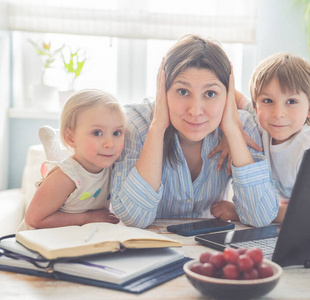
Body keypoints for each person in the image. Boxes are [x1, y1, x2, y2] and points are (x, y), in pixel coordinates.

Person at [110, 35, 278, 228]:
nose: (196, 111)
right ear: (163, 90)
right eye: (183, 92)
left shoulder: (242, 126)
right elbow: (133, 218)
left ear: (228, 95)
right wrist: (157, 128)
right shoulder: (137, 124)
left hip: (207, 252)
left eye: (210, 94)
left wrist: (232, 131)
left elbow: (261, 217)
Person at [210, 52, 310, 223]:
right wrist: (233, 131)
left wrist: (239, 213)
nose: (278, 113)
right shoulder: (260, 119)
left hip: (309, 223)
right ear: (256, 106)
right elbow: (226, 90)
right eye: (267, 101)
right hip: (280, 219)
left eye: (291, 102)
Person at [21, 89, 124, 230]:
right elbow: (33, 220)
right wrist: (88, 218)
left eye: (117, 133)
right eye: (97, 133)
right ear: (71, 138)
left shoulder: (114, 168)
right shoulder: (65, 176)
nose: (110, 143)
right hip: (36, 246)